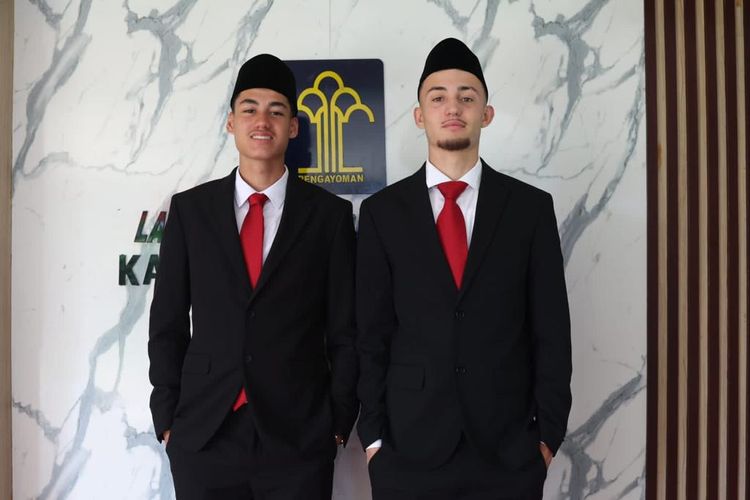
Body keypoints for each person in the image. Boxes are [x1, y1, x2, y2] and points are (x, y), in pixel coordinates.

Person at [356, 38, 572, 499]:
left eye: (466, 97)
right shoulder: (382, 213)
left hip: (508, 453)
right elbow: (370, 334)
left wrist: (547, 438)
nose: (452, 107)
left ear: (485, 114)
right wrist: (373, 440)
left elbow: (552, 330)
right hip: (408, 451)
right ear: (420, 115)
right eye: (438, 97)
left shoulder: (529, 209)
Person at [148, 53, 358, 500]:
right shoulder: (190, 211)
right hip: (204, 436)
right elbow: (167, 322)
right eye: (250, 109)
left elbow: (345, 331)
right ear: (231, 122)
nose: (262, 121)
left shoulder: (329, 217)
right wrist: (167, 419)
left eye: (276, 111)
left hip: (298, 440)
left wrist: (338, 423)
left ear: (294, 127)